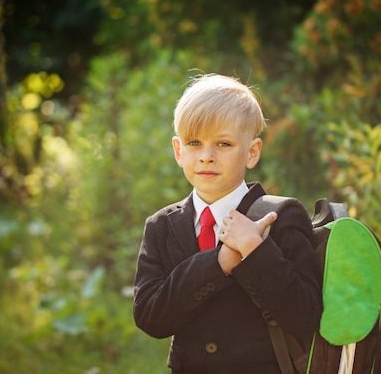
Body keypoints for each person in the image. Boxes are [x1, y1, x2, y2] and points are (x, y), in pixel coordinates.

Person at [133, 74, 322, 374]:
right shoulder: (161, 226)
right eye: (195, 143)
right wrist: (218, 262)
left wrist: (255, 250)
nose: (207, 157)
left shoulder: (281, 217)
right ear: (179, 151)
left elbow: (306, 315)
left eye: (223, 143)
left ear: (252, 152)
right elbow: (150, 317)